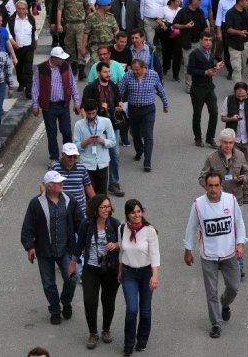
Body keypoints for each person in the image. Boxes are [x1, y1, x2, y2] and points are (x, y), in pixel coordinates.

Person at [184, 172, 246, 339]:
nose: (213, 189)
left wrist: (240, 243)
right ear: (206, 186)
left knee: (233, 287)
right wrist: (188, 250)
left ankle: (225, 303)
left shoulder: (231, 200)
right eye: (210, 186)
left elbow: (239, 223)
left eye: (216, 185)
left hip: (229, 253)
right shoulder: (198, 204)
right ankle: (216, 323)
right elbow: (191, 228)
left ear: (221, 186)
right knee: (211, 292)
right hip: (209, 255)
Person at [20, 170, 83, 325]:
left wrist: (84, 241)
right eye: (57, 182)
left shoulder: (70, 200)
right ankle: (55, 310)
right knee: (48, 283)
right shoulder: (36, 203)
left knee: (71, 278)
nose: (61, 184)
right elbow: (28, 227)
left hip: (66, 249)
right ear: (48, 186)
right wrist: (30, 247)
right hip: (44, 251)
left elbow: (80, 223)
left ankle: (66, 302)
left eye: (61, 181)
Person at [69, 195, 121, 349]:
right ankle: (93, 333)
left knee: (108, 301)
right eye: (103, 207)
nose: (107, 209)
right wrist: (73, 263)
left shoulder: (114, 223)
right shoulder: (86, 224)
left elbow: (124, 243)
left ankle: (106, 330)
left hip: (110, 268)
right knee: (90, 301)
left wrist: (116, 245)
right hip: (91, 269)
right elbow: (79, 246)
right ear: (95, 209)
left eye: (108, 206)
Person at [119, 199, 160, 356]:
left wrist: (154, 276)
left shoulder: (149, 230)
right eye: (133, 212)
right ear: (127, 214)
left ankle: (142, 339)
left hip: (146, 273)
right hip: (129, 273)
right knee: (131, 309)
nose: (136, 215)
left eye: (139, 211)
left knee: (145, 310)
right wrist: (120, 270)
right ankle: (129, 343)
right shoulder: (122, 228)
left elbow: (155, 255)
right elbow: (121, 251)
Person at [82, 62, 125, 197]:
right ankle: (92, 183)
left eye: (109, 72)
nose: (108, 74)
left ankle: (113, 183)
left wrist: (120, 107)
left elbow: (119, 102)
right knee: (94, 154)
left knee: (115, 153)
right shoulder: (91, 88)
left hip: (113, 124)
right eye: (105, 72)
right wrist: (86, 123)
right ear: (99, 73)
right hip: (95, 126)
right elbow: (84, 107)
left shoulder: (114, 86)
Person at [31, 47, 81, 166]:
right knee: (51, 133)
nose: (63, 60)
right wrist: (35, 105)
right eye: (61, 58)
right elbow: (35, 87)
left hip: (63, 105)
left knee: (67, 131)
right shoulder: (41, 68)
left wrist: (77, 102)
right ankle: (54, 158)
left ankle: (69, 155)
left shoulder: (65, 66)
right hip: (49, 106)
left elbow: (72, 84)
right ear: (54, 58)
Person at [118, 59, 168, 172]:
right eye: (133, 69)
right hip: (133, 109)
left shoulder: (153, 75)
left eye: (138, 70)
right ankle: (139, 150)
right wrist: (118, 101)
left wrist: (165, 104)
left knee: (148, 134)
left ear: (144, 67)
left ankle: (147, 161)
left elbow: (160, 90)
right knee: (136, 134)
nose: (135, 72)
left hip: (148, 109)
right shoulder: (128, 75)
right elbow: (120, 91)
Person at [187, 30, 224, 148]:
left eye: (210, 40)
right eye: (206, 40)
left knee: (214, 112)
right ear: (201, 41)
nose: (208, 43)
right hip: (197, 88)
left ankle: (210, 138)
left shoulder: (210, 52)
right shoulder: (195, 54)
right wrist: (205, 72)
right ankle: (198, 138)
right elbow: (190, 70)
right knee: (197, 114)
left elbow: (210, 67)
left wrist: (215, 67)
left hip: (209, 87)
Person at [73, 98, 116, 196]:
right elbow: (75, 147)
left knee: (102, 196)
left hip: (102, 163)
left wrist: (103, 141)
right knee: (90, 197)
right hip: (87, 164)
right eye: (88, 114)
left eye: (93, 113)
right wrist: (87, 142)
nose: (91, 116)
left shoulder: (106, 122)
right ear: (85, 112)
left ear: (97, 110)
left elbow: (113, 142)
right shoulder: (79, 125)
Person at [173, 0, 208, 93]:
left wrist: (207, 37)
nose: (200, 1)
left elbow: (205, 26)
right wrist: (185, 26)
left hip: (199, 43)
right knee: (188, 65)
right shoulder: (183, 11)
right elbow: (175, 25)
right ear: (192, 1)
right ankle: (189, 86)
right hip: (187, 43)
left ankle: (198, 84)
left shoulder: (200, 12)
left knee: (200, 65)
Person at [48, 143, 95, 215]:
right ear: (63, 154)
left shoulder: (82, 168)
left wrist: (97, 203)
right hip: (61, 209)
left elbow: (88, 186)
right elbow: (46, 186)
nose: (72, 159)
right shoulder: (55, 168)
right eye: (69, 156)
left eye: (75, 157)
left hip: (79, 209)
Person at [7, 0, 37, 98]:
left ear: (26, 9)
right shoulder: (11, 20)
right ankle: (21, 82)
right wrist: (13, 42)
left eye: (23, 9)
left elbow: (34, 32)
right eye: (19, 8)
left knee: (28, 69)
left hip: (28, 47)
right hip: (17, 48)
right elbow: (8, 33)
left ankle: (29, 90)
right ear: (16, 9)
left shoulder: (31, 19)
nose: (21, 10)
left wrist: (35, 43)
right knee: (19, 67)